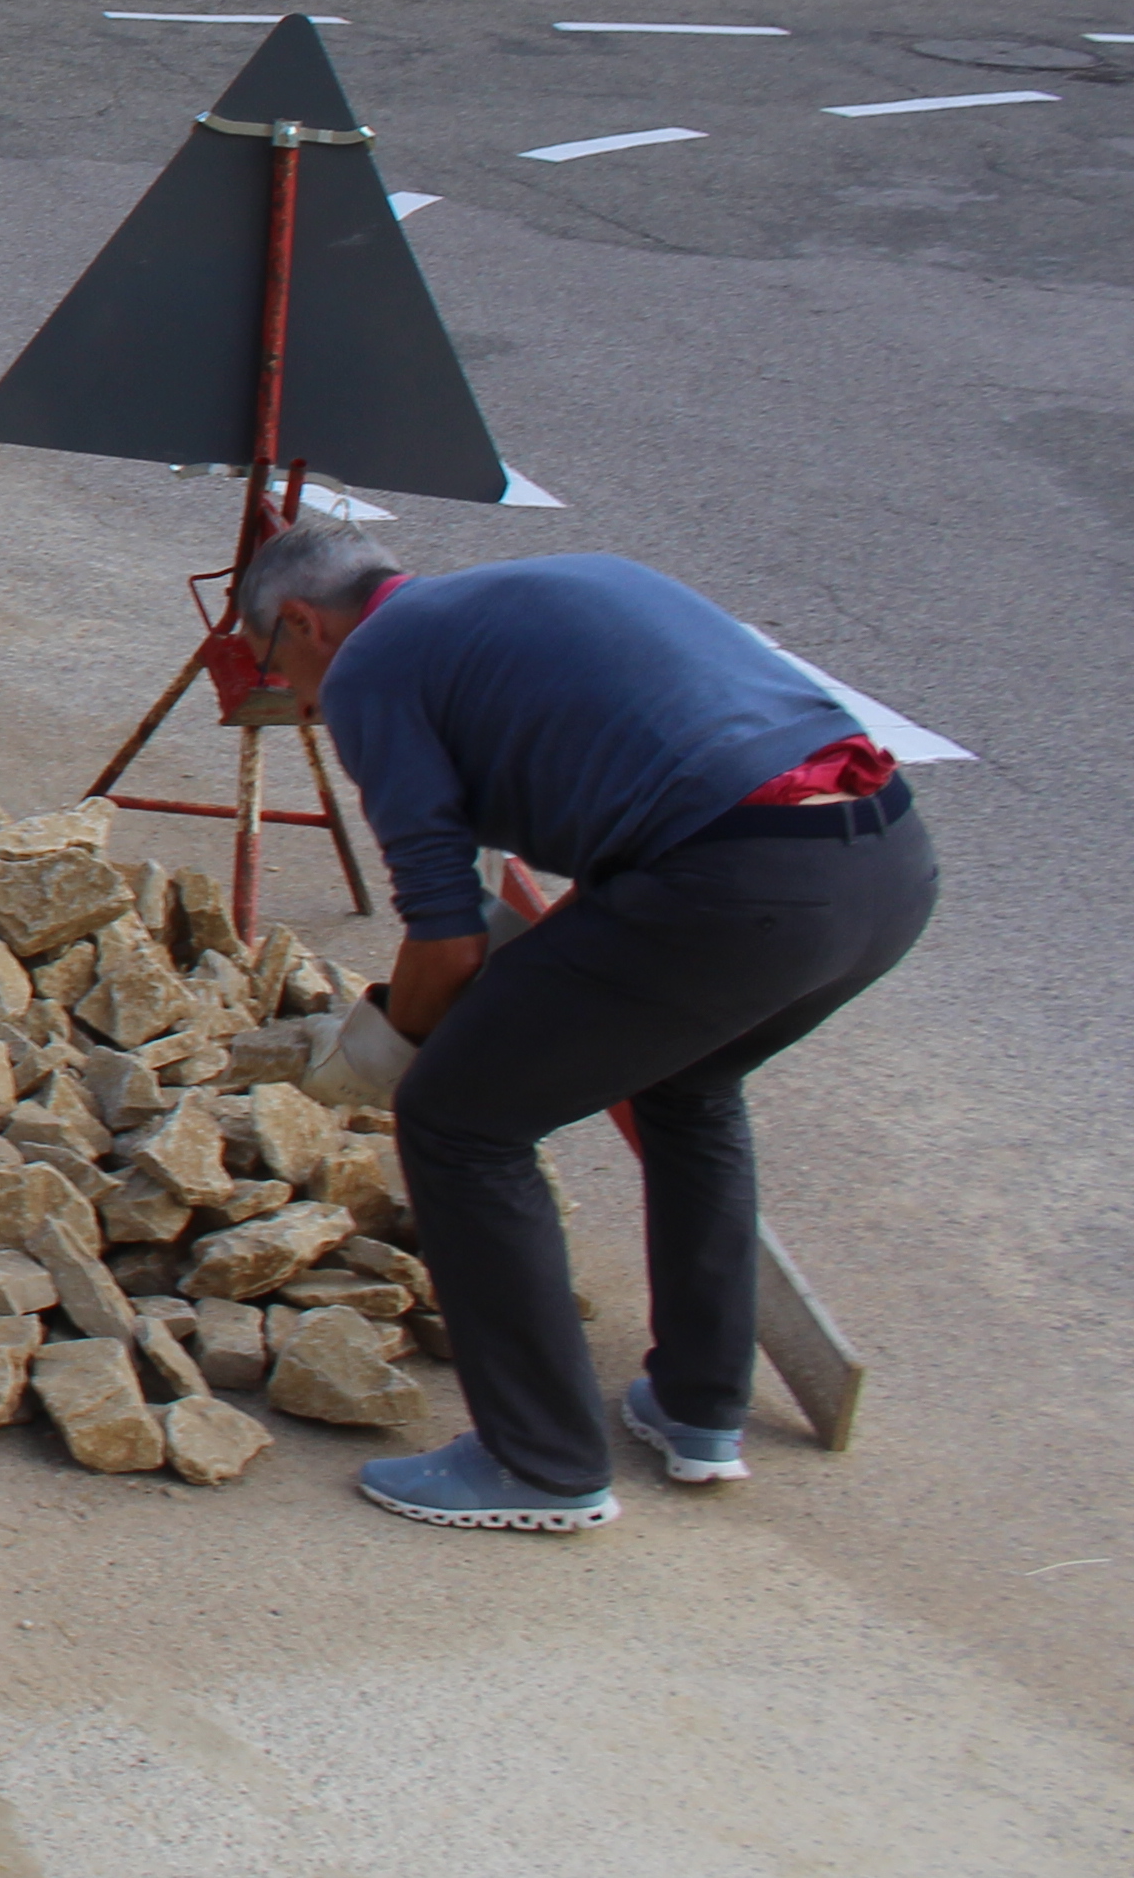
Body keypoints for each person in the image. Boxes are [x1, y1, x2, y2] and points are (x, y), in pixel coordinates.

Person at [233, 519, 938, 1532]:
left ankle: (541, 1464)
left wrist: (387, 1054)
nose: (295, 701)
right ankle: (700, 1413)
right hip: (885, 869)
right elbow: (651, 826)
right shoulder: (557, 587)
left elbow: (448, 940)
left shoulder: (368, 670)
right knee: (685, 1083)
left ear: (304, 621)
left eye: (277, 667)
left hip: (741, 887)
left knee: (461, 1123)